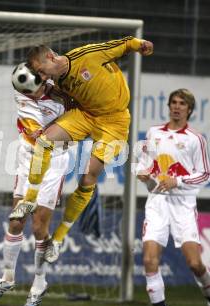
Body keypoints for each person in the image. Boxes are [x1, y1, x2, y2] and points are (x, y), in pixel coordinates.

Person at [9, 37, 154, 263]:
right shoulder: (57, 83)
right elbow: (47, 93)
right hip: (86, 115)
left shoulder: (86, 55)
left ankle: (57, 239)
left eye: (42, 71)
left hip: (115, 122)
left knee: (88, 179)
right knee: (44, 142)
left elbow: (123, 45)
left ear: (50, 56)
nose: (44, 77)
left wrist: (140, 44)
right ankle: (29, 199)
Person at [0, 63, 71, 306]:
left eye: (33, 90)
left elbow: (77, 126)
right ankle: (7, 276)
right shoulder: (22, 92)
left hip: (54, 161)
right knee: (16, 220)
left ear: (43, 81)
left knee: (38, 227)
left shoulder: (64, 96)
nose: (29, 95)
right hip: (28, 157)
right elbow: (35, 128)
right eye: (26, 91)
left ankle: (39, 282)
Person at [136, 89, 210, 306]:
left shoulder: (196, 139)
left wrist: (177, 182)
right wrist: (143, 173)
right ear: (169, 106)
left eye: (182, 103)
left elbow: (205, 173)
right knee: (149, 261)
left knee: (195, 264)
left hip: (183, 206)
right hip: (157, 203)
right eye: (174, 103)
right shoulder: (153, 132)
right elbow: (145, 164)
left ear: (189, 109)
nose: (177, 107)